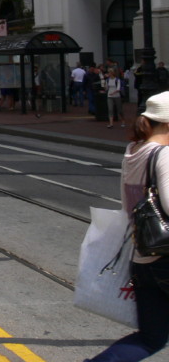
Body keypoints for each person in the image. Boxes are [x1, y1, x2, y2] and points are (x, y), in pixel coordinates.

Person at [84, 91, 169, 362]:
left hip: (143, 256)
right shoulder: (164, 155)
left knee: (151, 337)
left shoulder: (134, 151)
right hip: (166, 259)